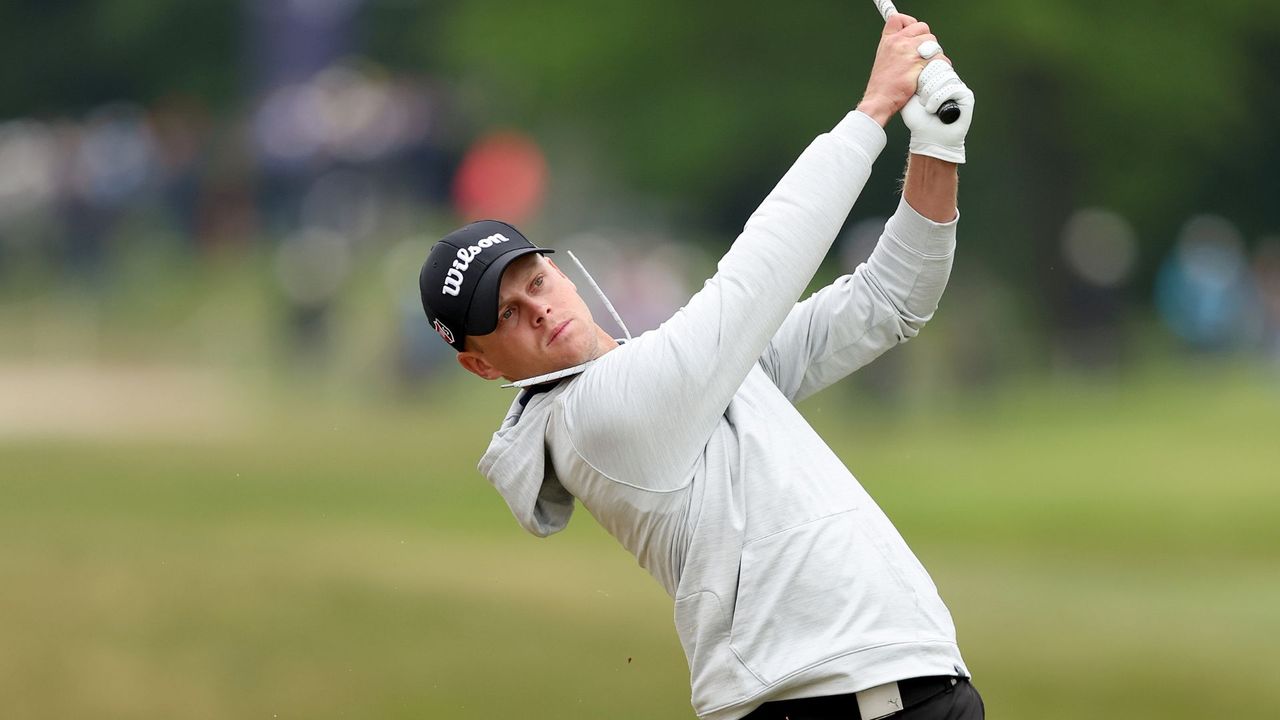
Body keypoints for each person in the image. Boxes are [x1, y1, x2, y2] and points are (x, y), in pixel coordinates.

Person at [419, 14, 981, 720]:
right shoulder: (592, 418)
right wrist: (873, 112)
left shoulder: (690, 379)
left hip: (906, 684)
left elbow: (890, 299)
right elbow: (754, 279)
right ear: (479, 365)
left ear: (558, 271)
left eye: (534, 281)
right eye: (504, 314)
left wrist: (937, 142)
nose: (536, 309)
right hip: (825, 702)